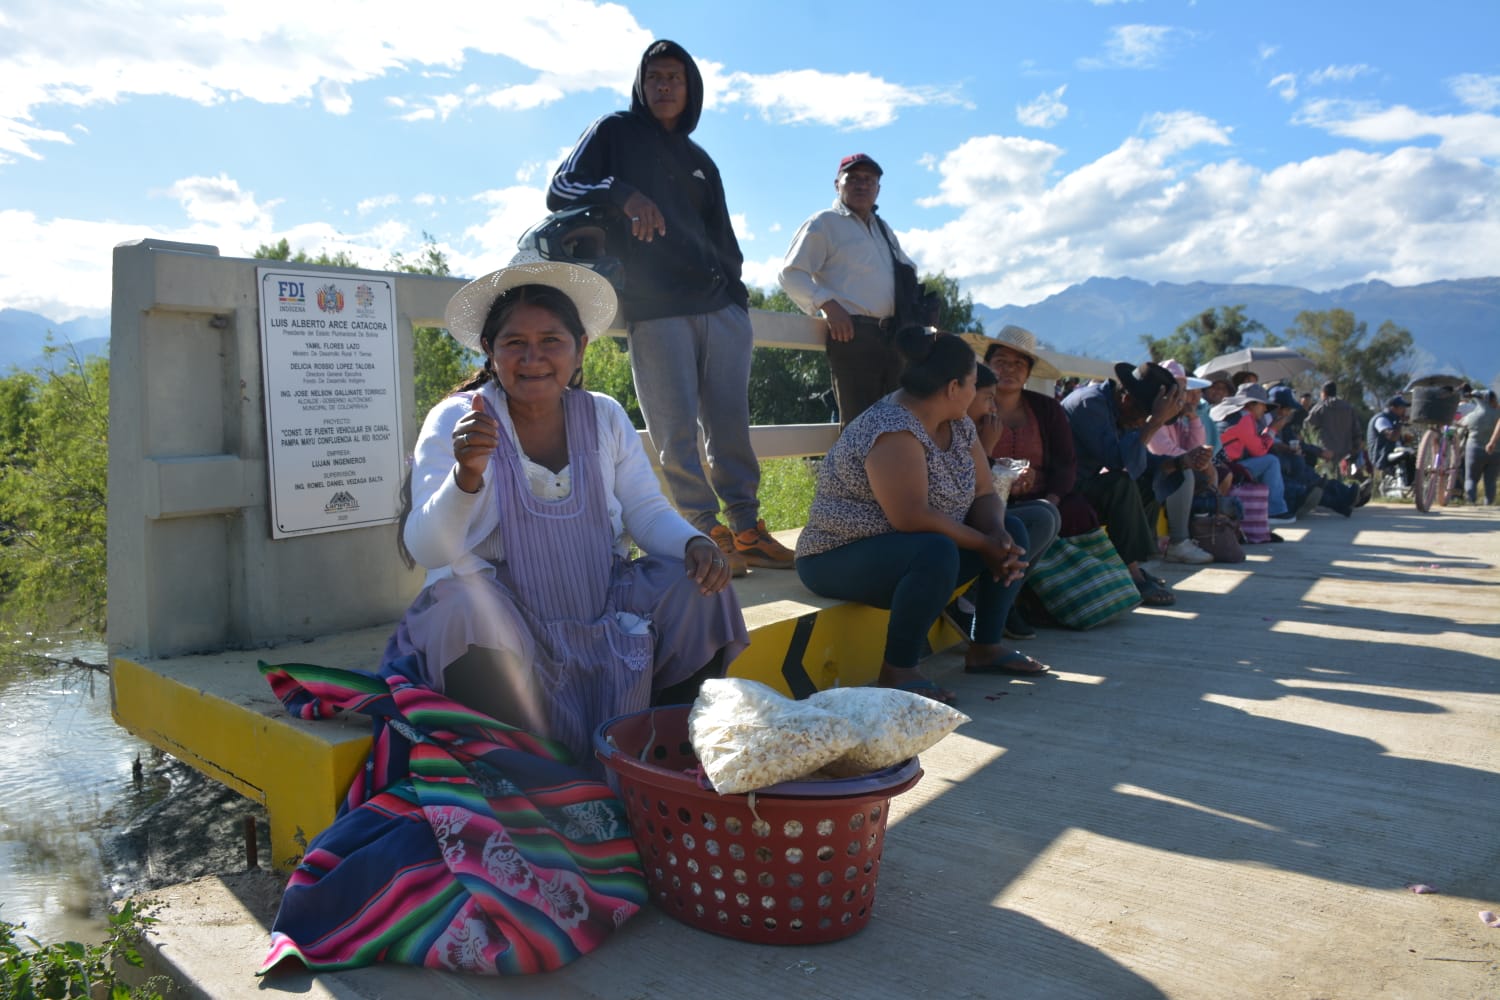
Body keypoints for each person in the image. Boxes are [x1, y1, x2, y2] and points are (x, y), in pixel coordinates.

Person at [391, 251, 750, 765]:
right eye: (515, 343)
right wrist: (465, 475)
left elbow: (645, 511)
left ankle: (666, 754)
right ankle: (525, 774)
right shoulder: (457, 418)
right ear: (490, 351)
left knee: (701, 591)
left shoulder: (603, 415)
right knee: (458, 610)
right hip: (503, 615)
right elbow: (428, 547)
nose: (532, 357)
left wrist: (694, 542)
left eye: (550, 342)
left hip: (599, 599)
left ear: (580, 348)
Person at [546, 39, 793, 575]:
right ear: (641, 84)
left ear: (690, 89)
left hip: (720, 310)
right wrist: (623, 194)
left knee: (730, 427)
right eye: (654, 77)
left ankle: (747, 529)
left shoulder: (701, 160)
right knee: (674, 432)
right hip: (655, 309)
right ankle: (705, 530)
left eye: (674, 79)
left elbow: (723, 236)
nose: (663, 86)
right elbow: (561, 186)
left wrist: (736, 298)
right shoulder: (614, 131)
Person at [795, 328, 1047, 706]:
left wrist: (997, 535)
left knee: (1012, 529)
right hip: (837, 556)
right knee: (935, 550)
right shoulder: (892, 428)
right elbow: (910, 517)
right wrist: (984, 544)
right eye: (973, 384)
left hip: (910, 550)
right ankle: (898, 668)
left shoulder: (959, 422)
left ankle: (986, 647)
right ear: (952, 387)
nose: (978, 394)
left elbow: (983, 491)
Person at [780, 153, 922, 428]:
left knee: (896, 424)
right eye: (853, 178)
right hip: (853, 334)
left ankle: (885, 473)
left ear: (878, 189)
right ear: (837, 185)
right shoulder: (824, 223)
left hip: (894, 336)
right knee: (860, 425)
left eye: (869, 180)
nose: (861, 185)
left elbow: (908, 270)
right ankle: (853, 473)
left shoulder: (883, 229)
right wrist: (828, 304)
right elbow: (790, 273)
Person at [1061, 361, 1186, 607]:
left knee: (1152, 477)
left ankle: (1134, 564)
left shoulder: (1118, 409)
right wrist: (1153, 424)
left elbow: (1138, 460)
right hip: (1062, 489)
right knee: (1120, 484)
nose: (1142, 423)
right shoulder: (1090, 404)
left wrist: (1177, 462)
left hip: (1084, 484)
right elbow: (1118, 460)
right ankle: (1130, 572)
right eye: (1143, 416)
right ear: (1127, 399)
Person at [978, 327, 1071, 635]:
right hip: (982, 500)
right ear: (987, 365)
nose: (1009, 369)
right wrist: (1000, 477)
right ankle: (994, 606)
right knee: (1030, 521)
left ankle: (1007, 602)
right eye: (1001, 361)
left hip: (1041, 498)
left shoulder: (1046, 409)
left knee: (1050, 513)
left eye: (1019, 364)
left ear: (1029, 373)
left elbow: (1066, 462)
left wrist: (1053, 497)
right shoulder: (972, 406)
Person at [1148, 361, 1216, 563]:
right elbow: (1164, 451)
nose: (1183, 395)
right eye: (1177, 388)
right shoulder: (1155, 414)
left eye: (1184, 389)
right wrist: (1197, 461)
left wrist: (1193, 419)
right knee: (1182, 472)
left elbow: (1194, 446)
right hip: (1147, 474)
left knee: (1209, 470)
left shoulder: (1175, 419)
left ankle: (1202, 529)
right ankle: (1179, 541)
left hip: (1160, 471)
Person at [1213, 384, 1297, 525]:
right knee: (1271, 461)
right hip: (1225, 467)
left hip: (1215, 464)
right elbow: (1259, 450)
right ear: (1251, 404)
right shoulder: (1244, 418)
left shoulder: (1223, 411)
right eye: (1262, 405)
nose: (1265, 409)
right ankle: (1275, 511)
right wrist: (1272, 430)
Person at [1304, 381, 1363, 477]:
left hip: (1327, 452)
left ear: (1324, 393)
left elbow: (1307, 424)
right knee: (1343, 476)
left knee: (1328, 477)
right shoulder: (1348, 407)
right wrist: (1355, 448)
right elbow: (1356, 430)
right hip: (1346, 450)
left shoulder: (1321, 406)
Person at [1367, 395, 1415, 489]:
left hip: (1389, 452)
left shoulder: (1393, 420)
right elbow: (1392, 437)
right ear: (1393, 408)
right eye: (1402, 408)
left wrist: (1404, 440)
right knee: (1407, 455)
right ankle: (1408, 484)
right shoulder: (1381, 419)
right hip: (1381, 456)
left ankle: (1410, 483)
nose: (1404, 410)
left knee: (1412, 453)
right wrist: (1400, 423)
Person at [1461, 389, 1500, 504]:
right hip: (1496, 452)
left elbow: (1460, 426)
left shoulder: (1473, 415)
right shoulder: (1498, 413)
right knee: (1490, 481)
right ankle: (1488, 504)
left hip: (1474, 449)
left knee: (1470, 479)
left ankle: (1471, 502)